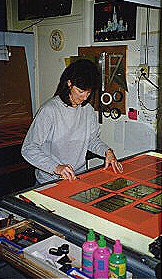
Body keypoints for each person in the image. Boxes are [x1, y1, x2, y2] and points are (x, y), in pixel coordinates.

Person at [21, 59, 123, 184]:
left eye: (89, 92)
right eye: (81, 91)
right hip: (50, 181)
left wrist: (107, 151)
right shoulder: (49, 111)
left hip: (78, 178)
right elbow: (28, 148)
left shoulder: (88, 110)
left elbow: (92, 141)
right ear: (69, 83)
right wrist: (56, 167)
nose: (85, 97)